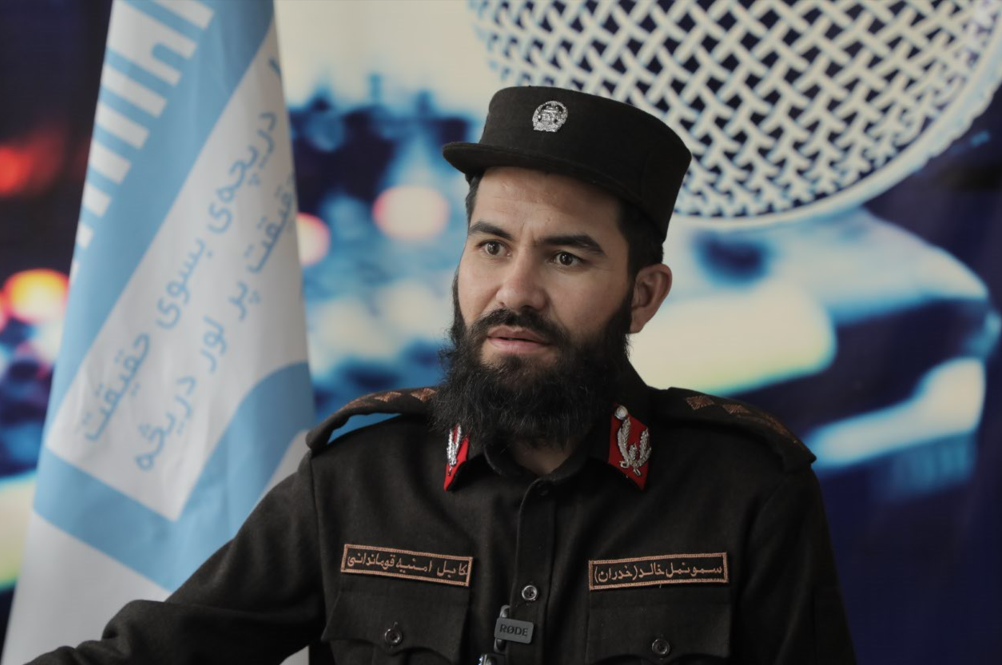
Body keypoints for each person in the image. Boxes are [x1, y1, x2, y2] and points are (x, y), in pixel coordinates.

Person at [29, 86, 854, 664]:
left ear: (643, 295)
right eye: (492, 246)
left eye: (566, 257)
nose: (515, 291)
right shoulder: (356, 479)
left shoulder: (748, 492)